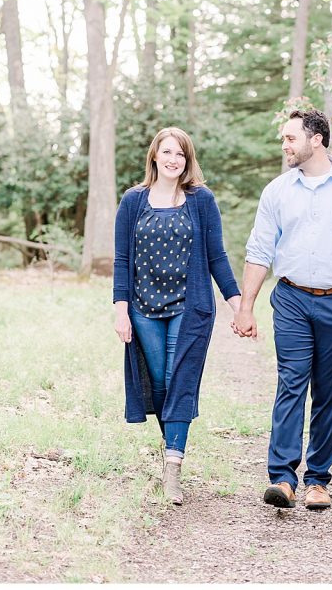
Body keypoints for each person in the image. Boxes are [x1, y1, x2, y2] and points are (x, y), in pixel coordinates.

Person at [234, 109, 332, 511]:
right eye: (283, 139)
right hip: (291, 299)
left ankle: (318, 481)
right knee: (291, 383)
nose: (284, 145)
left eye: (290, 138)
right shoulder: (277, 191)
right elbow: (259, 251)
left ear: (316, 139)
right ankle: (282, 478)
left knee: (328, 393)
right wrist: (246, 306)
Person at [113, 127, 242, 505]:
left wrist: (238, 304)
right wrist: (121, 310)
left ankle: (173, 468)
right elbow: (122, 260)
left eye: (180, 154)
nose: (173, 159)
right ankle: (171, 445)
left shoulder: (200, 201)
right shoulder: (133, 201)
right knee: (159, 383)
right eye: (167, 152)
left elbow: (217, 257)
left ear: (188, 161)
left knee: (179, 378)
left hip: (190, 306)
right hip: (143, 308)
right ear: (155, 156)